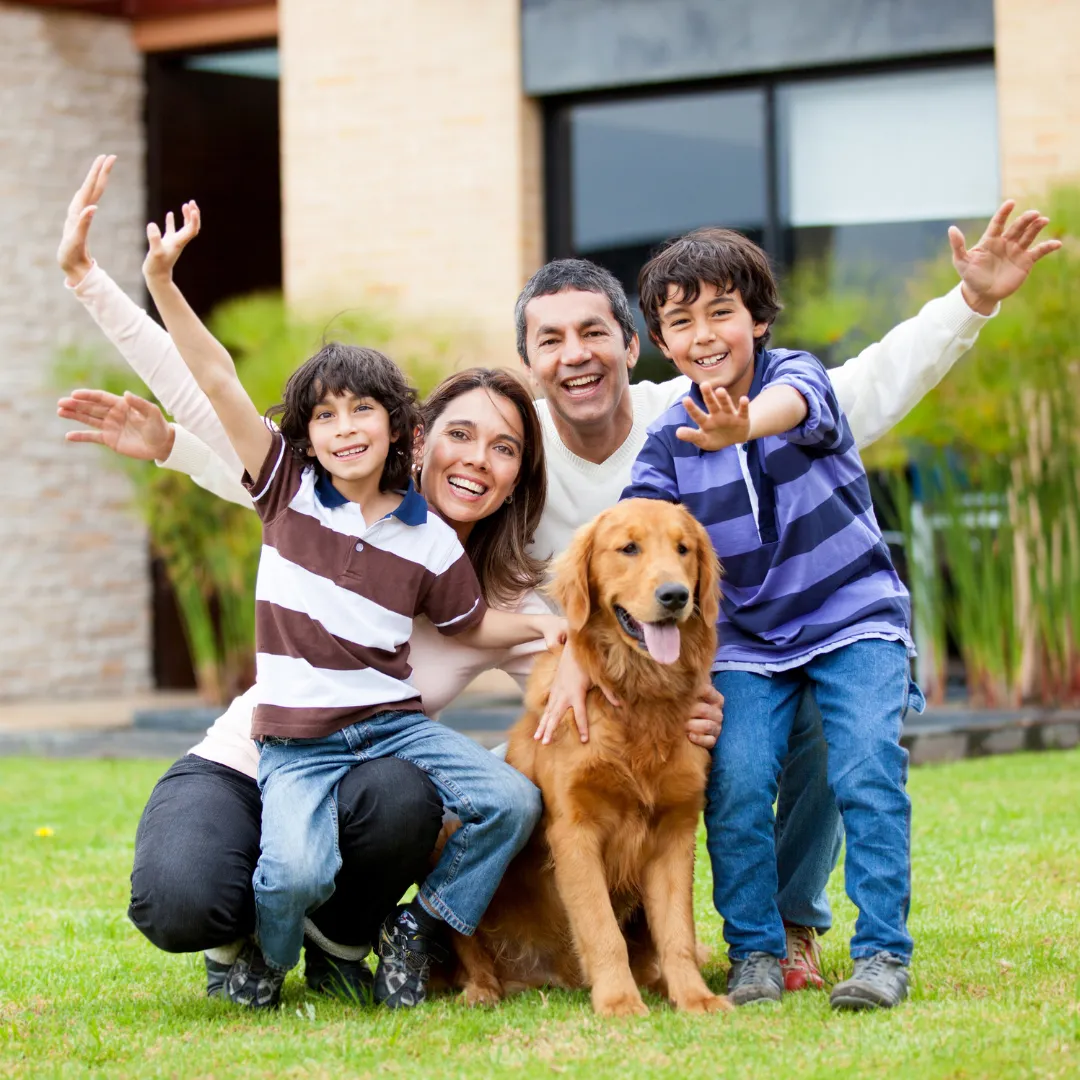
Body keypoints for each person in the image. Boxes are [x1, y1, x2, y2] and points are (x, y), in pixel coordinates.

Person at [59, 152, 1058, 995]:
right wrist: (122, 341)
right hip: (267, 751)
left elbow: (856, 392)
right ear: (523, 365)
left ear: (634, 345)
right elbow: (239, 436)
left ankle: (784, 927)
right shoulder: (408, 487)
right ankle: (277, 934)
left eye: (593, 334)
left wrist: (969, 302)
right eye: (549, 341)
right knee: (195, 893)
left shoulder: (668, 433)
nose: (479, 461)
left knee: (769, 715)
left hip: (403, 759)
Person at [137, 196, 571, 1011]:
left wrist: (555, 627)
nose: (344, 427)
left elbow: (471, 625)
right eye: (325, 416)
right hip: (295, 740)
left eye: (361, 409)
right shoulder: (286, 494)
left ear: (400, 427)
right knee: (292, 870)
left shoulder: (431, 541)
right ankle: (263, 959)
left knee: (512, 800)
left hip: (390, 729)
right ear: (304, 436)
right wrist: (162, 284)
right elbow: (218, 382)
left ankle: (424, 925)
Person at [622, 226, 919, 1009]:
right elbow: (635, 535)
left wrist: (743, 424)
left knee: (864, 768)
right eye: (681, 322)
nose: (704, 334)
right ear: (660, 341)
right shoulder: (665, 439)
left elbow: (794, 407)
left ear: (757, 319)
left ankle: (883, 952)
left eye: (722, 312)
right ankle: (754, 950)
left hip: (853, 614)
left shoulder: (796, 377)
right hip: (749, 640)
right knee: (740, 782)